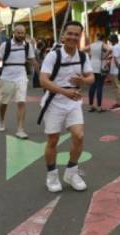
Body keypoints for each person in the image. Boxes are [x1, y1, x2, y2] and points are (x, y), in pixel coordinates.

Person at [39, 21, 94, 192]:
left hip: (73, 101)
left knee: (79, 135)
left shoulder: (83, 56)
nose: (72, 37)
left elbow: (91, 77)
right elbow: (43, 80)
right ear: (63, 35)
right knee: (53, 139)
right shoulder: (53, 56)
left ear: (80, 37)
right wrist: (64, 92)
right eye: (70, 33)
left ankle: (71, 173)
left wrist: (83, 80)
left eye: (76, 35)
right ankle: (52, 176)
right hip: (54, 101)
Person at [0, 25, 36, 139]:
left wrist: (42, 77)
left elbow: (33, 61)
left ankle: (20, 129)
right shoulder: (5, 45)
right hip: (7, 77)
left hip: (22, 76)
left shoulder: (27, 46)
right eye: (18, 33)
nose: (20, 35)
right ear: (14, 33)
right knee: (4, 103)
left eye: (22, 33)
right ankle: (1, 120)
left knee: (21, 102)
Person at [84, 33, 108, 112]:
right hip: (100, 66)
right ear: (103, 38)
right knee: (99, 86)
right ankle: (99, 107)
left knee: (92, 86)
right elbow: (110, 50)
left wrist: (89, 55)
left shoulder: (92, 45)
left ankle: (91, 106)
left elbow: (82, 50)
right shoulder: (103, 44)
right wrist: (104, 56)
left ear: (96, 37)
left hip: (92, 66)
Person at [107, 34, 120, 111]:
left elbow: (115, 58)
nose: (109, 42)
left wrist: (118, 67)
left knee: (117, 86)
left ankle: (118, 104)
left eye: (110, 40)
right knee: (119, 85)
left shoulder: (114, 47)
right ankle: (118, 103)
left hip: (115, 69)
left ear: (112, 40)